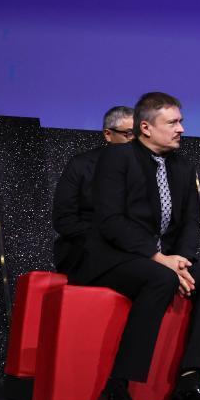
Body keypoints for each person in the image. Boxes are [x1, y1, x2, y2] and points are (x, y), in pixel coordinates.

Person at [80, 92, 200, 400]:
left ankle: (191, 380)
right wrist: (158, 258)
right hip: (117, 256)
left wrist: (180, 260)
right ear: (146, 128)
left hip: (166, 259)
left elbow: (190, 221)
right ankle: (117, 387)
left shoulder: (183, 166)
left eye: (181, 121)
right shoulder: (117, 158)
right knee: (160, 280)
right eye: (173, 122)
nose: (181, 129)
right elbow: (111, 221)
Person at [52, 105, 134, 276]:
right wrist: (112, 237)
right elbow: (64, 220)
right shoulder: (80, 165)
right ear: (108, 134)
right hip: (85, 248)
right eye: (129, 134)